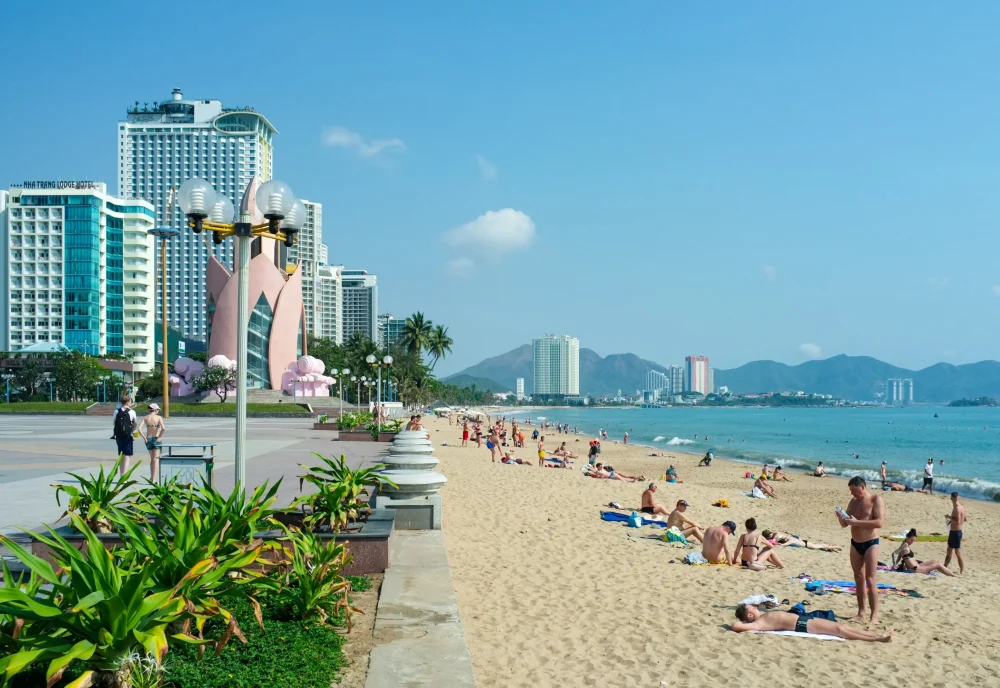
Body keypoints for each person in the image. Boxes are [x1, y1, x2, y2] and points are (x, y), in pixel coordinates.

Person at [836, 476, 885, 626]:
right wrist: (841, 517)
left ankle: (874, 615)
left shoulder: (875, 500)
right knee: (858, 577)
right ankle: (861, 612)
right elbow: (845, 524)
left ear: (862, 487)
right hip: (855, 543)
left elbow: (879, 522)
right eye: (850, 491)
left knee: (870, 579)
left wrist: (858, 523)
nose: (852, 494)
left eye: (854, 490)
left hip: (871, 543)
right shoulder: (853, 502)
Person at [732, 605, 892, 642]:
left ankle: (876, 635)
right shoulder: (758, 623)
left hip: (804, 620)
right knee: (840, 630)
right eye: (752, 608)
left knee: (842, 627)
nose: (755, 607)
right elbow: (736, 626)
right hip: (801, 625)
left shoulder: (762, 617)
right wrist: (743, 621)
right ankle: (877, 639)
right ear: (750, 615)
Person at [891, 529, 958, 577]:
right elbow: (894, 554)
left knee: (935, 561)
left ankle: (951, 573)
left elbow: (899, 556)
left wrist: (895, 564)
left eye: (913, 540)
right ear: (907, 537)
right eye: (911, 540)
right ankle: (954, 575)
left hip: (917, 566)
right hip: (916, 569)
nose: (912, 542)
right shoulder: (904, 545)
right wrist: (894, 565)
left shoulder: (904, 544)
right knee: (937, 565)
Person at [138, 402, 166, 483]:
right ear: (155, 410)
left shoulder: (145, 417)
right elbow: (163, 428)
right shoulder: (158, 417)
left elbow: (139, 429)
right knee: (156, 459)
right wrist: (159, 437)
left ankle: (151, 477)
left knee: (152, 459)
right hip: (156, 438)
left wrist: (144, 437)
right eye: (158, 410)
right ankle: (153, 479)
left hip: (148, 439)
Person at [112, 395, 138, 476]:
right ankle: (124, 475)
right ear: (128, 402)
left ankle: (121, 474)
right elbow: (135, 423)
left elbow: (114, 423)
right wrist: (132, 430)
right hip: (128, 436)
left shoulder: (116, 411)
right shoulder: (132, 412)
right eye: (130, 401)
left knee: (121, 455)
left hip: (118, 436)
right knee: (127, 456)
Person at [762, 529, 842, 552]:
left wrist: (783, 545)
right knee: (817, 546)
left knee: (816, 546)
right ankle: (831, 548)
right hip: (801, 541)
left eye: (768, 537)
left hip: (803, 543)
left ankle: (835, 546)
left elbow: (792, 540)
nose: (769, 538)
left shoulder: (777, 536)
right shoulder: (778, 535)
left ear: (770, 534)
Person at [945, 492, 966, 574]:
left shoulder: (957, 508)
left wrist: (949, 517)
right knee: (949, 550)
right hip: (956, 531)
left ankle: (962, 570)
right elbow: (965, 519)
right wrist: (951, 520)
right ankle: (944, 567)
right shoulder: (961, 506)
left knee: (957, 552)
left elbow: (957, 521)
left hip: (955, 532)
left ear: (952, 499)